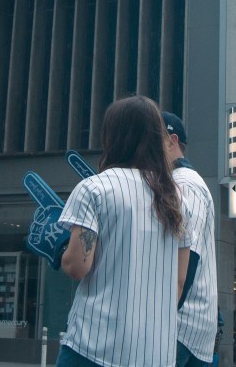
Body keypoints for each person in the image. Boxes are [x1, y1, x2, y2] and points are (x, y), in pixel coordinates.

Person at [57, 95, 190, 367]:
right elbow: (180, 280)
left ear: (111, 137)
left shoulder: (94, 189)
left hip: (93, 346)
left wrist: (59, 247)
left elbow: (76, 267)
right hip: (156, 353)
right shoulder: (176, 198)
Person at [162, 111, 219, 367]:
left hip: (181, 328)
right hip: (186, 328)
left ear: (172, 141)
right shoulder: (178, 182)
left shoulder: (184, 184)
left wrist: (162, 318)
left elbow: (188, 258)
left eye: (153, 140)